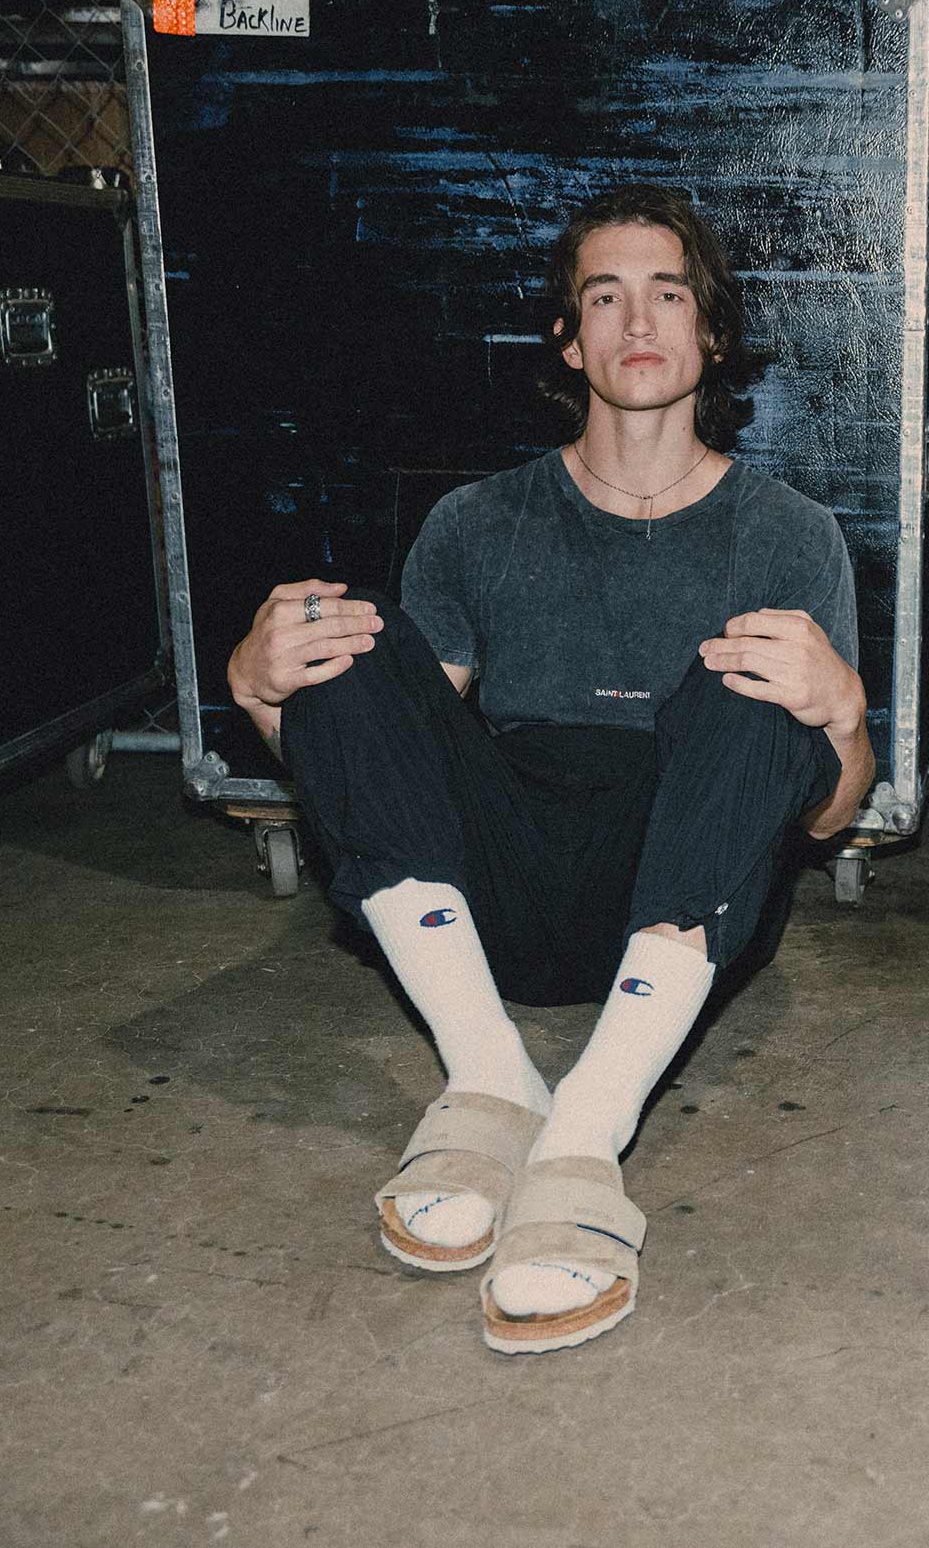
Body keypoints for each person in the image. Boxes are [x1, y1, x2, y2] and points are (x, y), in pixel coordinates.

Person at [225, 183, 873, 1355]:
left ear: (709, 332)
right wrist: (262, 693)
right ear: (569, 340)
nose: (639, 320)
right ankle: (489, 1075)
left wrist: (843, 716)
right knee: (342, 629)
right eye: (604, 297)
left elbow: (827, 821)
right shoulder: (478, 521)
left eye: (668, 294)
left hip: (682, 886)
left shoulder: (790, 532)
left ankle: (581, 1130)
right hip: (502, 888)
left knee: (760, 668)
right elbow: (393, 763)